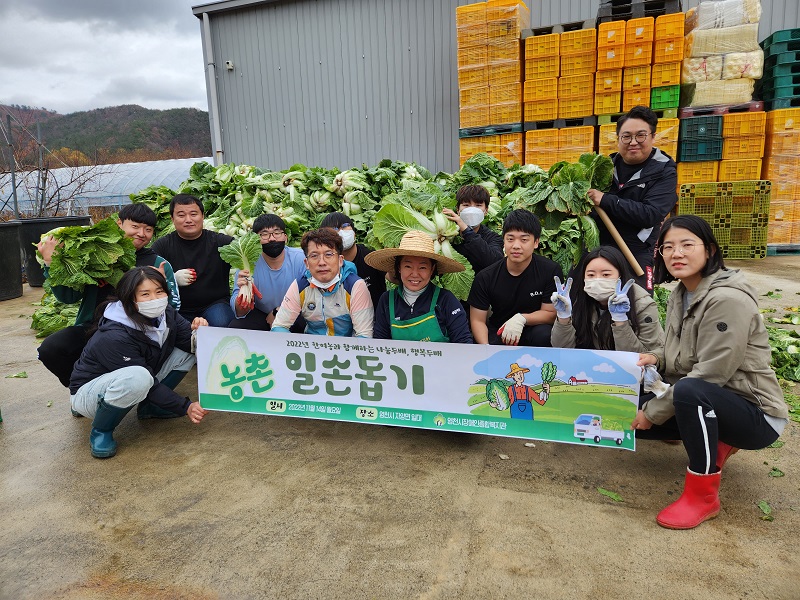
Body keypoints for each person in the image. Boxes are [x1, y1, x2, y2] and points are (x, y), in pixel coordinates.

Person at [632, 215, 788, 529]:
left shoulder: (727, 299)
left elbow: (709, 374)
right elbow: (682, 354)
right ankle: (716, 437)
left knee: (689, 392)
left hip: (755, 414)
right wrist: (656, 358)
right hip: (714, 400)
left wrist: (653, 411)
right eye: (668, 247)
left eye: (687, 245)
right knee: (626, 408)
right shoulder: (682, 292)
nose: (677, 253)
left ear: (710, 250)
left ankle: (702, 496)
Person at [69, 267, 210, 459]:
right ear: (129, 299)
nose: (155, 299)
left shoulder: (166, 314)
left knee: (192, 349)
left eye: (159, 291)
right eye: (145, 294)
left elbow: (190, 344)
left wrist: (199, 332)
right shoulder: (114, 335)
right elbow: (147, 383)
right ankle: (102, 430)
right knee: (139, 377)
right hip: (90, 393)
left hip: (139, 376)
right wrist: (185, 406)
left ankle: (151, 408)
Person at [36, 203, 181, 388]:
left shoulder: (158, 263)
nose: (141, 234)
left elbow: (174, 306)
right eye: (135, 227)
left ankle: (148, 396)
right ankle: (80, 389)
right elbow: (68, 297)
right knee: (51, 349)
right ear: (119, 224)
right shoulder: (92, 255)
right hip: (92, 326)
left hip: (140, 331)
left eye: (148, 229)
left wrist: (158, 287)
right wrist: (51, 262)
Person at [587, 105, 678, 292]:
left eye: (641, 136)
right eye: (626, 136)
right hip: (599, 248)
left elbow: (651, 214)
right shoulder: (604, 167)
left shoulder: (664, 171)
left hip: (636, 251)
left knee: (639, 305)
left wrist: (606, 200)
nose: (633, 142)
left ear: (652, 136)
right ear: (618, 139)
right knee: (583, 300)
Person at [550, 246, 664, 366]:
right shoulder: (578, 300)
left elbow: (642, 357)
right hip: (591, 367)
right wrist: (563, 317)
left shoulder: (642, 304)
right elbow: (561, 349)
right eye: (591, 275)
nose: (597, 280)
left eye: (606, 275)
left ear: (621, 275)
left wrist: (621, 321)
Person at [467, 209, 560, 347]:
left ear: (536, 242)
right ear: (504, 240)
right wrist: (485, 348)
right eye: (510, 239)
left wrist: (522, 319)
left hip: (532, 329)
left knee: (544, 334)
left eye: (524, 240)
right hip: (499, 330)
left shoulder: (550, 270)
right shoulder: (486, 276)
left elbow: (550, 313)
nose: (516, 246)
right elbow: (477, 320)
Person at [365, 230, 473, 343]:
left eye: (422, 267)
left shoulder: (445, 300)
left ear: (432, 270)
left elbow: (463, 343)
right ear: (399, 268)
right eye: (408, 266)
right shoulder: (387, 300)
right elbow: (380, 344)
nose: (415, 274)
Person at [150, 194, 235, 327]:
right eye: (181, 215)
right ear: (173, 219)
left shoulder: (220, 242)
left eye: (193, 214)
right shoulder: (162, 246)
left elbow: (246, 251)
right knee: (172, 328)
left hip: (215, 304)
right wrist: (172, 279)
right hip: (179, 308)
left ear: (203, 216)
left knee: (221, 322)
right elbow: (147, 277)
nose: (188, 220)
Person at [271, 228, 373, 337]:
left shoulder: (355, 286)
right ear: (306, 263)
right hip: (311, 349)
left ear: (340, 260)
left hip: (347, 349)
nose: (322, 262)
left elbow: (364, 335)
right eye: (314, 256)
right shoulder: (300, 285)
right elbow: (279, 326)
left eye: (328, 254)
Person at [228, 214, 306, 331]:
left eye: (277, 232)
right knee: (237, 327)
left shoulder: (301, 259)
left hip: (293, 313)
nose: (272, 238)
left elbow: (312, 294)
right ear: (256, 240)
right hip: (261, 315)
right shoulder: (248, 263)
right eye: (264, 234)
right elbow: (240, 311)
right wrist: (243, 299)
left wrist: (279, 312)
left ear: (285, 237)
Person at [319, 212, 387, 308]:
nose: (341, 232)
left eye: (345, 226)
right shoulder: (323, 264)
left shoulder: (370, 256)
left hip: (375, 318)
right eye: (335, 229)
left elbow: (393, 278)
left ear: (354, 233)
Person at [442, 185, 504, 274]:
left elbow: (495, 263)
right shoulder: (446, 235)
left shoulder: (494, 238)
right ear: (458, 209)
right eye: (466, 205)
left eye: (478, 205)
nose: (471, 210)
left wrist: (466, 231)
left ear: (486, 210)